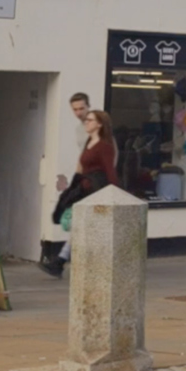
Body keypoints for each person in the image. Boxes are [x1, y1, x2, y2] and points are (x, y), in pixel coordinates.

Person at [43, 108, 117, 278]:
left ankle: (61, 261)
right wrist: (71, 188)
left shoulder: (105, 147)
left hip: (96, 191)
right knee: (81, 227)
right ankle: (61, 261)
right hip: (84, 189)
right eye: (86, 120)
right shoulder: (89, 142)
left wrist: (114, 193)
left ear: (99, 124)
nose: (86, 122)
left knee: (85, 227)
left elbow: (109, 171)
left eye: (90, 120)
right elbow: (80, 166)